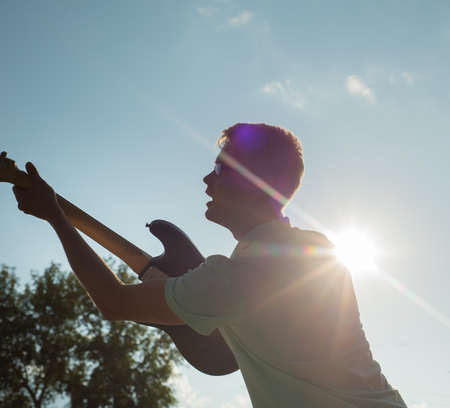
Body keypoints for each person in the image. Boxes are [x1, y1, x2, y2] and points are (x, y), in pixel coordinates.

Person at [13, 123, 407, 407]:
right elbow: (224, 346)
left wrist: (55, 218)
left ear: (253, 183)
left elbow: (113, 301)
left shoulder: (240, 278)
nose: (205, 179)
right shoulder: (314, 250)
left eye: (219, 169)